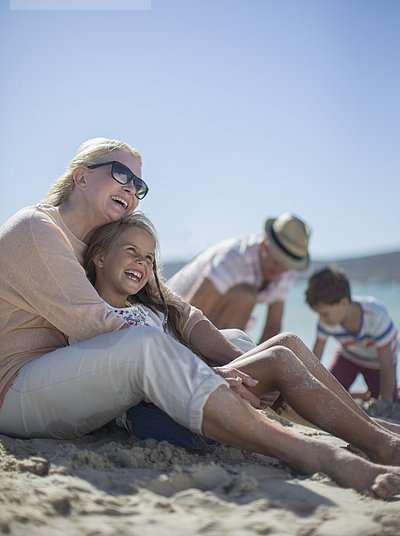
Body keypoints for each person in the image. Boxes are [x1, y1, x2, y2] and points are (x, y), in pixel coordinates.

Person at [0, 138, 400, 499]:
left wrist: (231, 363)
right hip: (19, 388)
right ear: (80, 177)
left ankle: (371, 432)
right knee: (146, 345)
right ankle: (318, 456)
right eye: (120, 174)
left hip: (79, 377)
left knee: (246, 342)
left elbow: (184, 314)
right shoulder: (38, 228)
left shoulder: (108, 244)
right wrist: (205, 370)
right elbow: (100, 326)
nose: (130, 188)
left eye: (138, 186)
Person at [83, 212, 400, 476]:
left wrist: (247, 369)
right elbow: (139, 367)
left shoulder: (141, 308)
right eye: (130, 252)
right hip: (167, 405)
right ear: (99, 257)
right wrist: (236, 369)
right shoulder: (93, 314)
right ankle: (381, 445)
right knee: (277, 357)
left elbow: (268, 324)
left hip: (189, 377)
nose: (142, 264)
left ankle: (368, 427)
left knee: (287, 341)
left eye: (148, 258)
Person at [168, 213, 311, 343]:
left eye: (287, 264)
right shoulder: (233, 258)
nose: (281, 269)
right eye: (278, 261)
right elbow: (193, 309)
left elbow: (273, 327)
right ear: (264, 245)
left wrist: (258, 364)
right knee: (245, 297)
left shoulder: (286, 270)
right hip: (170, 319)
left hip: (203, 321)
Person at [306, 267, 398, 402]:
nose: (321, 319)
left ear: (343, 303)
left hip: (377, 362)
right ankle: (359, 396)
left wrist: (386, 403)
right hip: (348, 356)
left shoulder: (375, 316)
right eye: (319, 314)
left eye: (325, 313)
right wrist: (307, 386)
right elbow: (314, 360)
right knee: (329, 392)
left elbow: (387, 367)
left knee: (389, 398)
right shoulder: (326, 321)